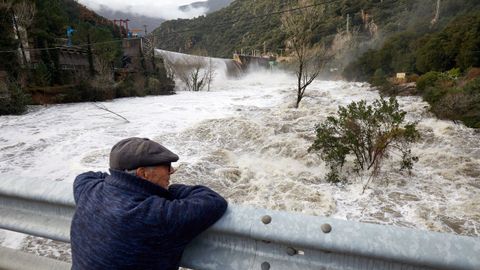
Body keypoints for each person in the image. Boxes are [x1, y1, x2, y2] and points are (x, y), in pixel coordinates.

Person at [70, 137, 228, 270]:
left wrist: (118, 180)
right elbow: (212, 201)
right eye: (167, 167)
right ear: (143, 173)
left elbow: (87, 176)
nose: (172, 171)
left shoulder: (89, 190)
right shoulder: (154, 215)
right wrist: (166, 191)